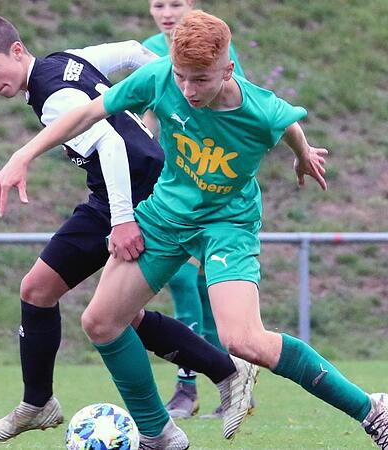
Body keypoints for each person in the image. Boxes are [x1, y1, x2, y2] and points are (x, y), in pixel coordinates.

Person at [0, 10, 388, 450]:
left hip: (228, 224)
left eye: (201, 80)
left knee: (243, 341)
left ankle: (373, 410)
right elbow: (87, 114)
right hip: (166, 214)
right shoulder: (160, 78)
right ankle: (158, 434)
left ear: (227, 70)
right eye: (181, 77)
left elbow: (288, 122)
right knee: (101, 322)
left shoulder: (259, 108)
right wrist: (23, 155)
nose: (188, 90)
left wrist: (303, 153)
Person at [0, 15, 257, 449]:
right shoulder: (66, 61)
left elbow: (111, 145)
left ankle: (43, 404)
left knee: (55, 297)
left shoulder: (53, 96)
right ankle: (220, 375)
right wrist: (175, 92)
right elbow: (133, 50)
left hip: (130, 196)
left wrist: (122, 220)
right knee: (107, 311)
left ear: (17, 51)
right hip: (136, 187)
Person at [142, 0, 250, 420]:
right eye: (159, 4)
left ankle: (224, 382)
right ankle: (192, 388)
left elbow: (236, 116)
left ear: (192, 5)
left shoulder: (220, 53)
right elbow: (146, 110)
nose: (167, 12)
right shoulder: (149, 50)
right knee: (185, 285)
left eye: (176, 3)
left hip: (207, 188)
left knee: (206, 294)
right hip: (167, 188)